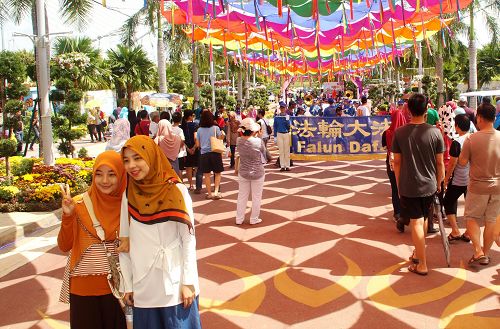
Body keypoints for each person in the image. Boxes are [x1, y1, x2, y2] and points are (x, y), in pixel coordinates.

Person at [119, 136, 201, 329]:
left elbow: (188, 240)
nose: (132, 165)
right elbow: (124, 242)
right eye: (126, 160)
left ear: (151, 156)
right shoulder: (129, 194)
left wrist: (188, 282)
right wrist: (127, 285)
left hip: (175, 283)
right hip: (143, 286)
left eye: (137, 158)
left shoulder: (176, 190)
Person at [57, 151, 127, 329]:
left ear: (121, 175)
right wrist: (68, 216)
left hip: (119, 288)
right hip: (83, 288)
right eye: (99, 174)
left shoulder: (127, 206)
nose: (105, 180)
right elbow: (64, 245)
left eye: (112, 174)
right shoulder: (78, 204)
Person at [392, 93, 445, 276]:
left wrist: (399, 183)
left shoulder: (400, 133)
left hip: (409, 184)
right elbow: (440, 162)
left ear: (408, 109)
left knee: (415, 221)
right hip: (429, 184)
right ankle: (418, 252)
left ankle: (421, 263)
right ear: (427, 108)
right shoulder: (435, 132)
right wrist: (439, 182)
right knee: (421, 219)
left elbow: (396, 162)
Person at [458, 103, 500, 266]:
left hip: (477, 187)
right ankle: (486, 254)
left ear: (479, 118)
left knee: (472, 218)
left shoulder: (471, 138)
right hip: (498, 187)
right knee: (490, 221)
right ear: (494, 118)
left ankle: (478, 251)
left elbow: (462, 162)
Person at [443, 114, 471, 243]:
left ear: (457, 126)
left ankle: (455, 231)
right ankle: (469, 232)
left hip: (459, 179)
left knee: (448, 201)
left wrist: (446, 179)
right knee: (471, 207)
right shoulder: (473, 138)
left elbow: (453, 163)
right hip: (473, 179)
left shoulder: (457, 142)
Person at [235, 118, 267, 225]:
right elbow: (264, 153)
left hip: (243, 171)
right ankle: (254, 219)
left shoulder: (238, 140)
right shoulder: (258, 141)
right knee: (256, 197)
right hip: (257, 171)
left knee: (242, 196)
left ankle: (239, 219)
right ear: (253, 130)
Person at [382, 107, 408, 230]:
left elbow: (384, 147)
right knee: (405, 188)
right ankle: (406, 213)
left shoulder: (386, 132)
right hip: (406, 164)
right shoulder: (407, 132)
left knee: (394, 188)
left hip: (391, 164)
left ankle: (397, 213)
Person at [196, 110, 225, 199]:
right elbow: (220, 138)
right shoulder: (216, 128)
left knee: (206, 174)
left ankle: (209, 193)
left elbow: (198, 145)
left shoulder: (199, 130)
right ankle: (216, 192)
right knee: (217, 173)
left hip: (204, 154)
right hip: (215, 152)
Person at [181, 110, 201, 192]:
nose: (193, 116)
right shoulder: (195, 125)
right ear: (189, 116)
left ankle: (191, 185)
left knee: (188, 167)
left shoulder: (181, 126)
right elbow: (196, 138)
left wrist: (188, 149)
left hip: (186, 149)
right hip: (195, 148)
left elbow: (182, 140)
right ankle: (197, 185)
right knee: (196, 167)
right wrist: (194, 147)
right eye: (192, 115)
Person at [274, 102, 291, 171]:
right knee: (281, 151)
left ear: (285, 108)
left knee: (287, 150)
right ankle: (282, 166)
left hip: (286, 133)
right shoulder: (277, 117)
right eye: (281, 107)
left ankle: (287, 165)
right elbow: (275, 127)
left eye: (283, 107)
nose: (282, 109)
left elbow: (289, 126)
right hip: (279, 134)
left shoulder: (287, 116)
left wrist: (287, 119)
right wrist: (275, 136)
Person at [172, 112, 186, 180]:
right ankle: (181, 184)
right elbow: (182, 140)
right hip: (179, 153)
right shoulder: (180, 130)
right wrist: (178, 148)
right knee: (179, 169)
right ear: (180, 120)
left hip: (170, 152)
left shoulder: (169, 128)